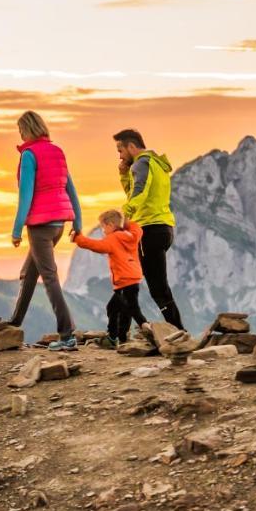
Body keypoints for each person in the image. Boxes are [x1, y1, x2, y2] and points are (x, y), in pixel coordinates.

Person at [9, 110, 83, 351]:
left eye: (20, 129)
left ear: (27, 129)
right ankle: (14, 324)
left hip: (40, 227)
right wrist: (78, 222)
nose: (19, 134)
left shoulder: (30, 155)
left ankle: (67, 334)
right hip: (58, 225)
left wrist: (17, 228)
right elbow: (70, 188)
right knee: (28, 274)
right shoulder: (57, 152)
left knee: (49, 278)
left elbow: (26, 195)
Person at [114, 128, 184, 329]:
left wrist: (125, 216)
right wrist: (124, 175)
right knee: (132, 280)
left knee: (156, 288)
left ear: (131, 146)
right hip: (164, 228)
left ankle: (179, 332)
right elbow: (137, 190)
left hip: (148, 230)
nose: (119, 155)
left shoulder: (141, 163)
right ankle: (124, 329)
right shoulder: (156, 164)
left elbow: (139, 191)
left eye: (120, 150)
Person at [72, 209, 147, 348]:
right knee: (120, 308)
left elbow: (97, 246)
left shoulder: (113, 238)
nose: (103, 230)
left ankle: (144, 328)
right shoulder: (131, 235)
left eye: (103, 226)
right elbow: (138, 230)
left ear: (111, 225)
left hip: (124, 280)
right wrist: (127, 223)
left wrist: (78, 238)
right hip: (133, 278)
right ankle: (120, 337)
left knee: (129, 308)